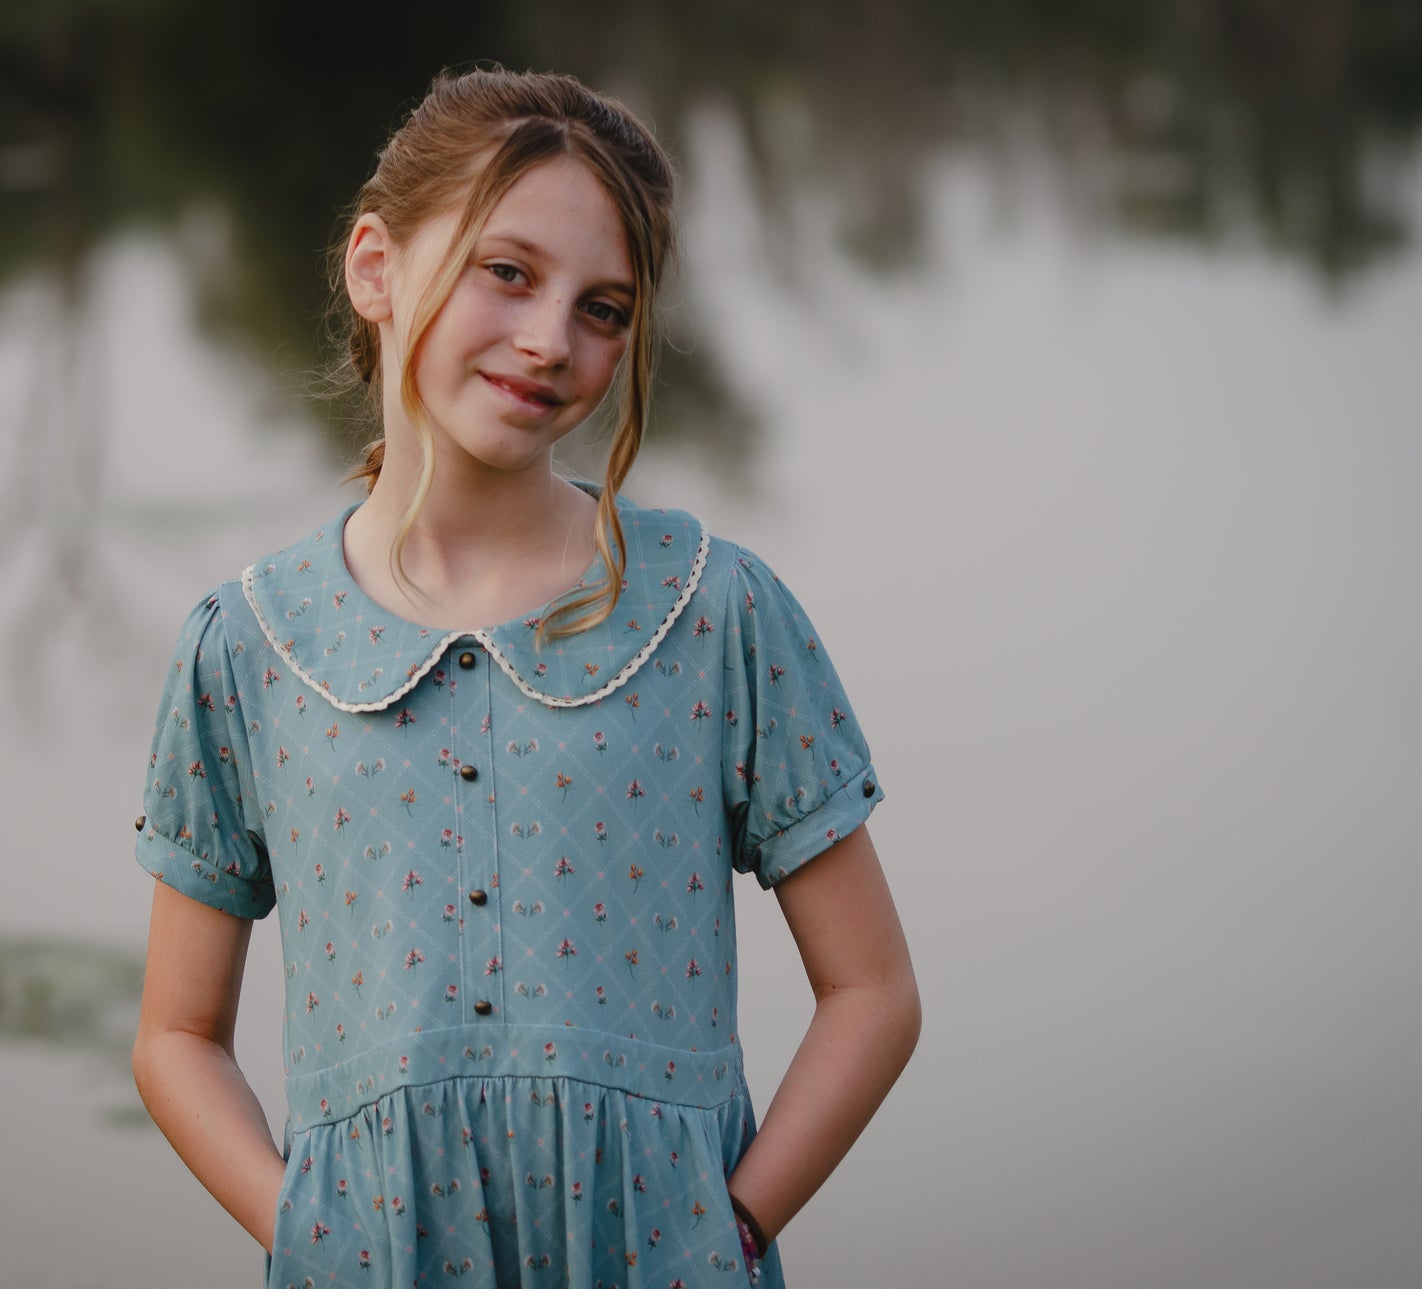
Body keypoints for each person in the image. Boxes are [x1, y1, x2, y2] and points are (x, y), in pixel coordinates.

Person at [129, 65, 921, 1288]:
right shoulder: (248, 645)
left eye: (603, 308)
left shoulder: (712, 612)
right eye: (507, 272)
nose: (552, 339)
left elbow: (871, 989)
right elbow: (177, 1034)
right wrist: (307, 1231)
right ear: (374, 267)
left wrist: (735, 1224)